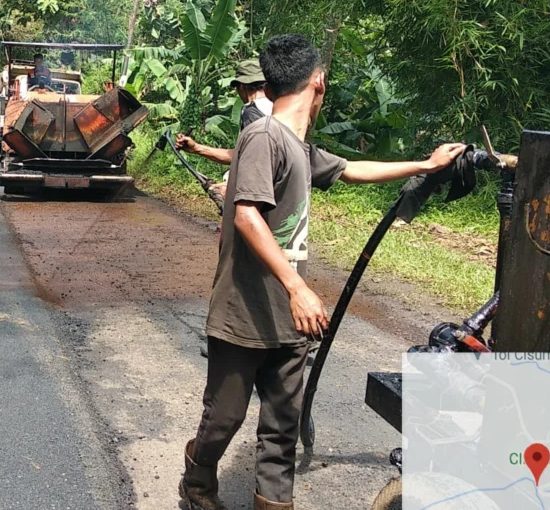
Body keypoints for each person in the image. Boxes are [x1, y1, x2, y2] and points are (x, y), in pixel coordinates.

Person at [179, 34, 466, 510]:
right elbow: (246, 213)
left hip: (289, 320)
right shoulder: (263, 136)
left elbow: (352, 169)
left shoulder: (298, 146)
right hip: (244, 313)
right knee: (223, 419)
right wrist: (298, 288)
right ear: (318, 81)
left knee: (281, 430)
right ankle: (196, 478)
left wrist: (426, 163)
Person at [174, 58, 273, 205]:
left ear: (241, 86)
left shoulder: (252, 112)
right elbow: (242, 154)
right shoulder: (276, 108)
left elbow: (254, 160)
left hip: (256, 193)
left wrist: (230, 186)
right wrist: (197, 148)